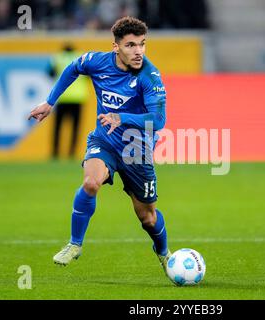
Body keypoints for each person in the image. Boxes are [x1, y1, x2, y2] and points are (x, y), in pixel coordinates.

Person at [28, 16, 171, 276]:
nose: (138, 51)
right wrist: (50, 102)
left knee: (147, 218)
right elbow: (73, 68)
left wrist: (122, 117)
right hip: (103, 140)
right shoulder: (97, 62)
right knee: (91, 183)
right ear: (116, 47)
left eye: (142, 44)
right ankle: (75, 244)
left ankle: (163, 252)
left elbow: (158, 121)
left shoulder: (150, 77)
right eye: (130, 45)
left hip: (135, 150)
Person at [49, 43, 89, 160]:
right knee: (75, 128)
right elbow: (89, 76)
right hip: (78, 98)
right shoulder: (81, 57)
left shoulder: (57, 58)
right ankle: (71, 153)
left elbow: (50, 73)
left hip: (62, 98)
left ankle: (55, 153)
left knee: (58, 127)